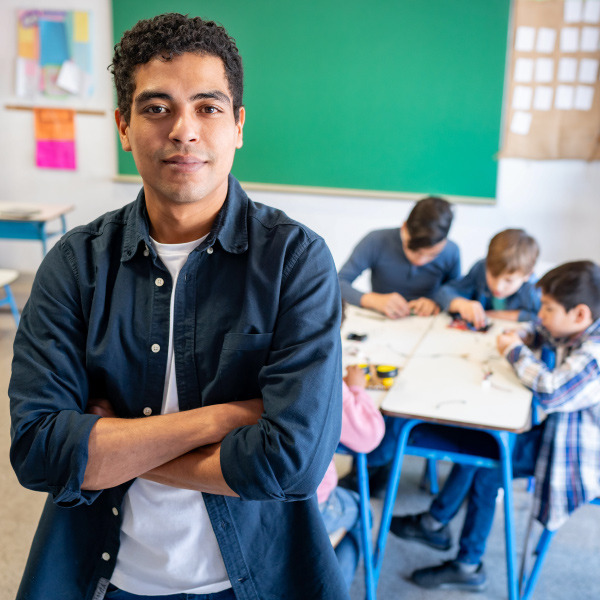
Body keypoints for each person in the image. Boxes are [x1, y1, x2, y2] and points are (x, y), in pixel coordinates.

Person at [9, 13, 347, 600]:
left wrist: (108, 442)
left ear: (238, 125)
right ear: (123, 125)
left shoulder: (294, 261)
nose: (183, 130)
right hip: (104, 579)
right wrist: (220, 419)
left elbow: (291, 464)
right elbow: (39, 451)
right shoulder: (75, 264)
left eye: (208, 108)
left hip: (252, 581)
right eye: (157, 107)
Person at [394, 260, 600, 591]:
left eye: (547, 308)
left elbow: (551, 390)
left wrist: (516, 351)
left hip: (572, 456)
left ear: (579, 315)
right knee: (484, 441)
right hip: (553, 432)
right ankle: (436, 522)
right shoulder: (579, 327)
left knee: (492, 465)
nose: (541, 314)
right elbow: (540, 328)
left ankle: (467, 564)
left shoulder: (594, 353)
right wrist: (522, 332)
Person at [317, 359, 385, 589]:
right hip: (311, 504)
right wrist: (355, 389)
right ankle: (336, 591)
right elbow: (368, 435)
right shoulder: (319, 369)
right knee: (363, 511)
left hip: (249, 498)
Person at [338, 196, 460, 319]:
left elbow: (456, 292)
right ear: (404, 227)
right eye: (415, 251)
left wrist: (437, 302)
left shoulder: (451, 251)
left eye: (433, 255)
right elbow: (337, 284)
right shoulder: (376, 241)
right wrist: (370, 300)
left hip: (428, 324)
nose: (420, 261)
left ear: (445, 241)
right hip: (383, 321)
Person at [435, 228, 541, 330]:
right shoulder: (480, 269)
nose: (497, 287)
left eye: (508, 280)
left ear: (528, 275)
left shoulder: (533, 290)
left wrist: (494, 315)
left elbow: (541, 318)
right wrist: (460, 303)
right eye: (493, 275)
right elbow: (444, 292)